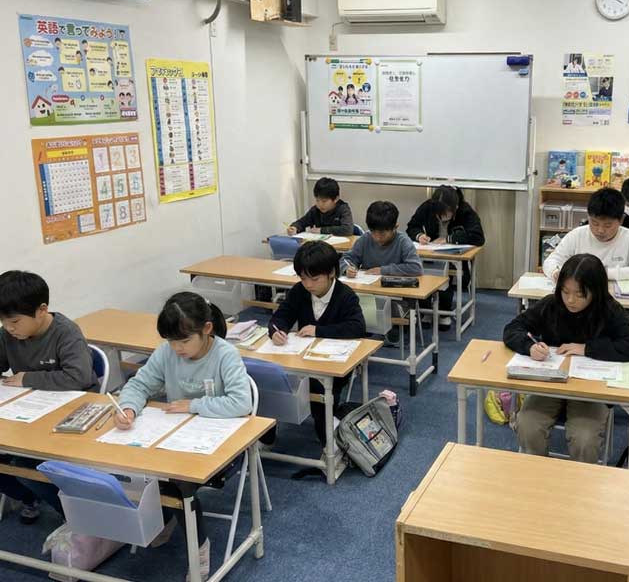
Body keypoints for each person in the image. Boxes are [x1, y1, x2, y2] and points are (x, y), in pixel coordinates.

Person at [114, 291, 252, 581]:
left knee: (177, 481)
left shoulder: (225, 355)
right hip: (177, 438)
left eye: (185, 340)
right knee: (137, 466)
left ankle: (198, 545)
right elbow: (139, 385)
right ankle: (166, 516)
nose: (177, 348)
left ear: (207, 329)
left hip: (222, 443)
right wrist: (128, 408)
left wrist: (194, 405)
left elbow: (242, 403)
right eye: (171, 341)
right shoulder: (167, 353)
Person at [503, 254, 629, 462]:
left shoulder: (608, 310)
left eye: (580, 294)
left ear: (595, 291)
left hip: (590, 390)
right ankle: (537, 474)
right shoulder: (552, 305)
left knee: (584, 439)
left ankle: (581, 481)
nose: (570, 300)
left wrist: (587, 349)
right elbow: (512, 328)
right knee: (527, 425)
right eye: (565, 291)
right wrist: (530, 346)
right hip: (551, 384)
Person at [0, 270, 97, 524]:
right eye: (3, 322)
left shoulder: (66, 332)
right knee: (13, 463)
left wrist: (27, 379)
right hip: (27, 411)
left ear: (42, 310)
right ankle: (28, 496)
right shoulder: (8, 334)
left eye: (14, 321)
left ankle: (74, 515)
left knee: (27, 464)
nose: (9, 328)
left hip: (73, 411)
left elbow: (78, 377)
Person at [269, 242, 366, 444]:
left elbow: (357, 328)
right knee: (267, 380)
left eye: (314, 279)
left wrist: (318, 331)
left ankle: (331, 444)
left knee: (318, 392)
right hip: (302, 359)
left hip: (334, 363)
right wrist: (276, 331)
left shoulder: (345, 296)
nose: (309, 285)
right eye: (303, 278)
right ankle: (266, 437)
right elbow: (281, 316)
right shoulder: (299, 291)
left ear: (331, 273)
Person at [406, 185, 485, 329]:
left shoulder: (465, 211)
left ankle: (444, 312)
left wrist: (449, 239)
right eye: (437, 214)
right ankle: (426, 309)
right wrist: (419, 235)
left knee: (444, 271)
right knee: (420, 269)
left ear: (455, 208)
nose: (440, 218)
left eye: (444, 214)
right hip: (430, 253)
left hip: (453, 257)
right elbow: (412, 226)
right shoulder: (428, 206)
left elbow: (478, 237)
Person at [543, 187, 629, 282]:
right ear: (588, 217)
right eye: (595, 223)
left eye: (607, 225)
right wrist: (555, 272)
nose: (600, 230)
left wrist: (603, 273)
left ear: (621, 220)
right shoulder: (577, 235)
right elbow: (551, 261)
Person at [341, 201, 423, 277]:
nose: (377, 238)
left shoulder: (403, 242)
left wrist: (383, 270)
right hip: (367, 283)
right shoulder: (365, 238)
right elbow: (346, 259)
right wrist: (347, 268)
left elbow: (416, 268)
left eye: (382, 234)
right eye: (373, 232)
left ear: (395, 227)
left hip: (393, 286)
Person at [287, 177, 354, 236]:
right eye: (317, 200)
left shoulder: (343, 209)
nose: (320, 204)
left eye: (324, 201)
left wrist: (322, 230)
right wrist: (295, 227)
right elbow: (302, 222)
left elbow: (347, 229)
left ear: (336, 199)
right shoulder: (315, 210)